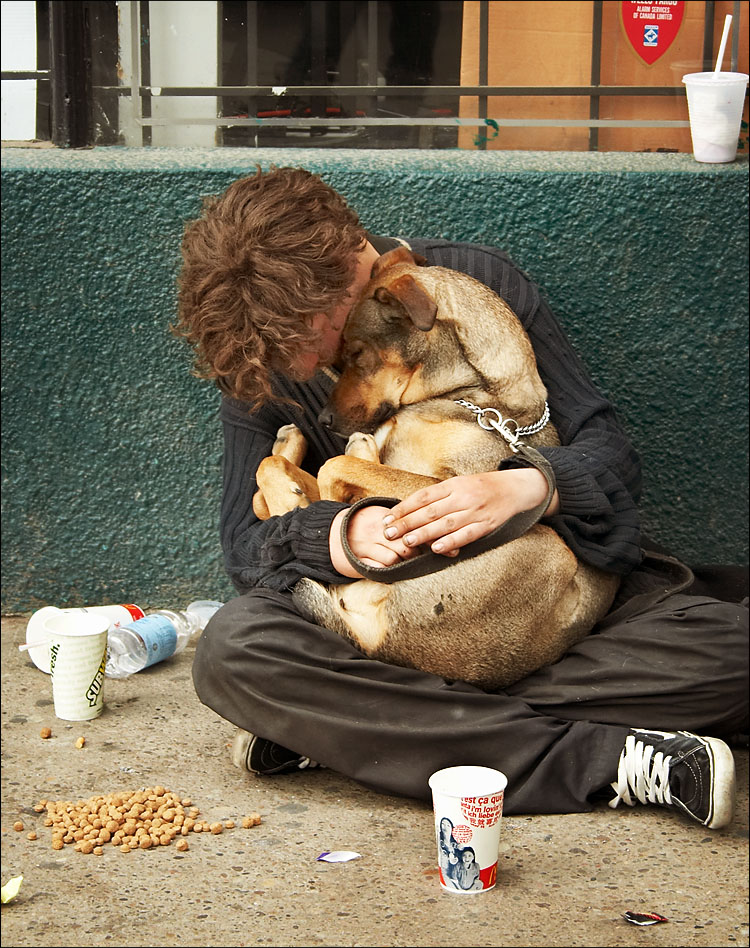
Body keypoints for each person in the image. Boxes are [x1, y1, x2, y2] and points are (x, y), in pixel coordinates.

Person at [175, 166, 748, 830]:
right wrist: (336, 537)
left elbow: (609, 449)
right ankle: (612, 761)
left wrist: (532, 484)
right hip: (386, 620)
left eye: (307, 338)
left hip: (543, 589)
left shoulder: (472, 287)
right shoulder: (263, 356)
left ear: (346, 273)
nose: (297, 369)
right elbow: (246, 553)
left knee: (736, 651)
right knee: (234, 651)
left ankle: (360, 731)